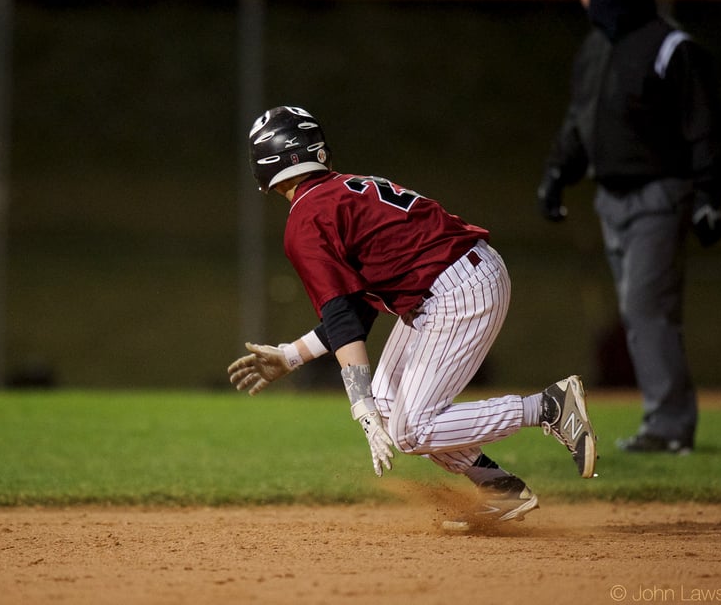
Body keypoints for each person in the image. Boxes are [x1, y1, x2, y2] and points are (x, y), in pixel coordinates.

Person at [228, 106, 597, 530]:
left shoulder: (307, 218)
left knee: (411, 430)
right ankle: (500, 488)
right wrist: (293, 356)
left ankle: (549, 406)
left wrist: (359, 408)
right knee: (392, 409)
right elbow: (357, 309)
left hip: (454, 288)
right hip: (454, 280)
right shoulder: (338, 194)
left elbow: (343, 319)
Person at [537, 0, 721, 454]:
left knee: (648, 308)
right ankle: (663, 422)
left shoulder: (671, 46)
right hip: (611, 198)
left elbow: (705, 126)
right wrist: (557, 175)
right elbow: (579, 121)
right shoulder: (595, 48)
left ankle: (668, 426)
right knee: (636, 309)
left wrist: (710, 195)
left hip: (660, 195)